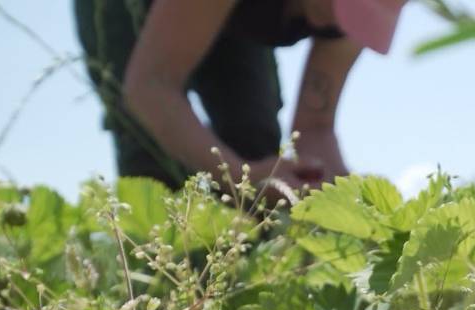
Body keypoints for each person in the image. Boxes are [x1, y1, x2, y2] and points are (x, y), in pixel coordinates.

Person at [75, 0, 406, 206]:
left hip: (237, 16)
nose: (336, 23)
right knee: (152, 160)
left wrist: (346, 201)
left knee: (255, 140)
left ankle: (242, 280)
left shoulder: (353, 23)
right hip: (130, 9)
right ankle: (161, 286)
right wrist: (237, 177)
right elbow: (150, 87)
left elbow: (315, 127)